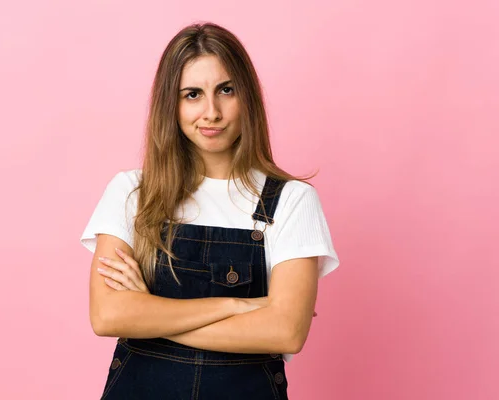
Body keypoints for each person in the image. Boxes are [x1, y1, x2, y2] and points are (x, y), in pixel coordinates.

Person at [80, 22, 340, 400]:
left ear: (246, 95)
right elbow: (107, 316)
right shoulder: (133, 192)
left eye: (226, 90)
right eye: (192, 94)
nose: (211, 112)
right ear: (172, 103)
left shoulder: (293, 200)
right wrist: (236, 305)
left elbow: (286, 332)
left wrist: (149, 315)